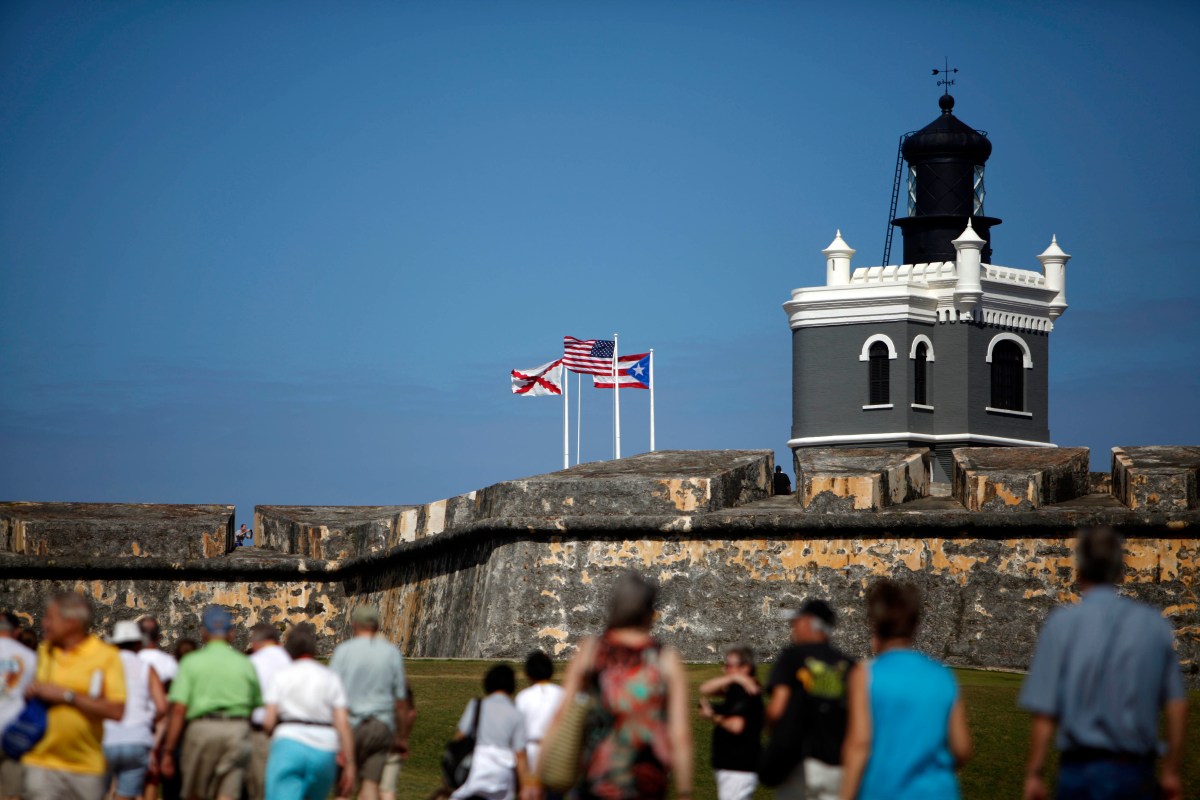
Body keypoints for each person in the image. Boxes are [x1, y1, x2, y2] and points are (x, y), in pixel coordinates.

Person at [1019, 527, 1188, 800]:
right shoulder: (1154, 624)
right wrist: (1171, 772)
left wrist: (1034, 774)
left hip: (1080, 768)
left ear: (1080, 569)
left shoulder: (1062, 624)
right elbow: (1177, 706)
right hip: (1135, 769)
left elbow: (1045, 713)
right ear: (1120, 571)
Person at [545, 571, 693, 800]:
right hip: (646, 784)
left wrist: (534, 778)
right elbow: (680, 733)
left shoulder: (591, 650)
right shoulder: (665, 658)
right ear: (650, 612)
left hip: (598, 779)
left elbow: (561, 714)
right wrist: (684, 792)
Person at [840, 580, 971, 800]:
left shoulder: (865, 675)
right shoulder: (942, 675)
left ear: (876, 627)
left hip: (884, 791)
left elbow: (860, 744)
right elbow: (962, 748)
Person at [21, 591, 127, 800]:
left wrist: (68, 696)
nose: (44, 623)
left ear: (71, 623)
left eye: (50, 618)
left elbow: (117, 710)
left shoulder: (105, 656)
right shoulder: (46, 652)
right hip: (41, 761)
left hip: (85, 766)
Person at [161, 605, 261, 800]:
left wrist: (169, 750)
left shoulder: (191, 662)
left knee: (196, 793)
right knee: (228, 794)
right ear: (231, 633)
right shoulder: (245, 663)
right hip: (236, 729)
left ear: (203, 633)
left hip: (202, 729)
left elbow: (179, 709)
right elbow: (256, 705)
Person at [763, 600, 853, 800]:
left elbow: (777, 710)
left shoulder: (793, 657)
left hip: (799, 763)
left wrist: (774, 736)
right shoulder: (849, 665)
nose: (793, 628)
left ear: (809, 623)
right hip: (838, 765)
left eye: (797, 622)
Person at [262, 623, 356, 800]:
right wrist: (350, 763)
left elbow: (269, 721)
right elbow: (343, 723)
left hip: (289, 741)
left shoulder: (281, 675)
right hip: (324, 746)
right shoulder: (330, 677)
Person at [329, 605, 410, 800]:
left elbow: (329, 693)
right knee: (371, 784)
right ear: (377, 626)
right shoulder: (391, 653)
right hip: (381, 725)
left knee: (344, 786)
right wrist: (401, 735)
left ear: (354, 624)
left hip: (350, 725)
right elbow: (400, 701)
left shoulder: (343, 651)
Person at [104, 620, 168, 800]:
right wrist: (148, 720)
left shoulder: (103, 667)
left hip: (107, 737)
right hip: (137, 738)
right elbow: (162, 706)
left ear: (115, 644)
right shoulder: (146, 668)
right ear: (139, 644)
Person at [449, 665, 534, 800]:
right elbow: (520, 754)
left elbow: (460, 737)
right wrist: (524, 786)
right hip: (503, 771)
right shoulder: (516, 714)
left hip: (476, 766)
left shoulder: (476, 705)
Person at [699, 646, 763, 800]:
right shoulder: (741, 687)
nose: (724, 669)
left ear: (745, 667)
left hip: (736, 766)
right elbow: (705, 689)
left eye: (729, 665)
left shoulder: (741, 691)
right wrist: (734, 678)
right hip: (739, 766)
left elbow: (736, 725)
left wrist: (712, 716)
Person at [246, 622, 292, 800]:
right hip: (288, 729)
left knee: (259, 786)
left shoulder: (252, 662)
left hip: (260, 729)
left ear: (255, 642)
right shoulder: (289, 660)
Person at [0, 611, 37, 800]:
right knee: (12, 792)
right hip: (14, 729)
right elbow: (34, 694)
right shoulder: (29, 657)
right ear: (16, 631)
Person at [514, 650, 564, 775]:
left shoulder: (523, 696)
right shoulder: (562, 694)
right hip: (557, 750)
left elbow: (517, 731)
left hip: (531, 749)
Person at [378, 683, 415, 800]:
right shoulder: (400, 684)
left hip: (372, 734)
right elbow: (410, 713)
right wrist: (403, 738)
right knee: (387, 790)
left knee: (368, 787)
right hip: (394, 740)